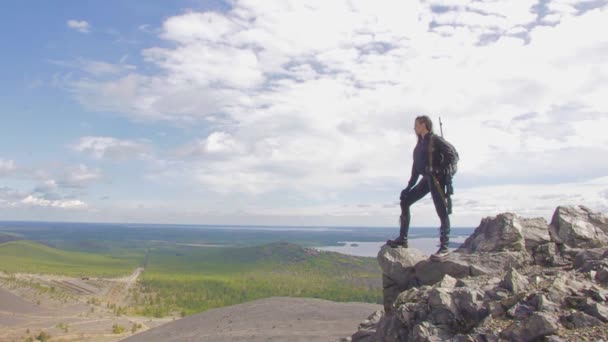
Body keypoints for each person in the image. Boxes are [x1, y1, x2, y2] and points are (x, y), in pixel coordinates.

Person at [387, 115, 457, 255]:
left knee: (441, 210)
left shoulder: (435, 139)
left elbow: (453, 156)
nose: (414, 127)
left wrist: (439, 169)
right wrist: (408, 187)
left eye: (416, 124)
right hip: (427, 179)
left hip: (437, 179)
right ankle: (403, 239)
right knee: (405, 201)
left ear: (424, 124)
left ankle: (444, 246)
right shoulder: (419, 145)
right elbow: (416, 169)